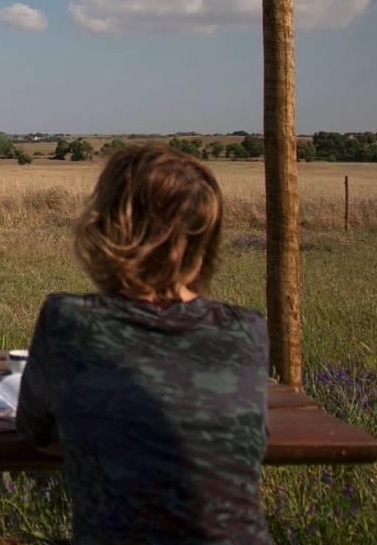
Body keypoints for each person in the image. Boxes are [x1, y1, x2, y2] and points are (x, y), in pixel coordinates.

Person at [15, 144, 270, 545]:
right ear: (206, 237)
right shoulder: (247, 331)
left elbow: (35, 430)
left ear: (108, 227)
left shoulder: (70, 321)